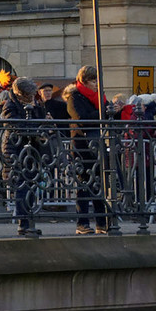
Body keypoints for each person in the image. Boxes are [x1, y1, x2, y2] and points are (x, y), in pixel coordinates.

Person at [63, 64, 109, 232]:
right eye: (93, 80)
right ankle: (82, 223)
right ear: (85, 81)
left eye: (97, 80)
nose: (97, 83)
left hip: (97, 144)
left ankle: (101, 222)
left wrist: (114, 110)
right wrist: (101, 113)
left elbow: (106, 112)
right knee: (84, 184)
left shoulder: (98, 97)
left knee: (98, 183)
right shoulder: (74, 97)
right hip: (82, 144)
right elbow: (80, 118)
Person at [0, 74, 44, 233]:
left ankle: (29, 222)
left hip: (32, 151)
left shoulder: (35, 103)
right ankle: (23, 223)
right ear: (21, 94)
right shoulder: (10, 105)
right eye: (29, 95)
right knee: (22, 187)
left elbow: (40, 119)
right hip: (16, 150)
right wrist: (34, 128)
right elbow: (14, 125)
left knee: (31, 186)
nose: (32, 98)